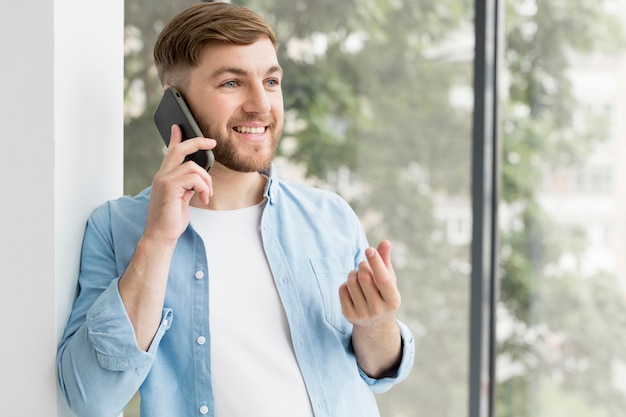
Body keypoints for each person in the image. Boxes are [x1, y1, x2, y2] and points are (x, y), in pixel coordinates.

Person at [57, 3, 415, 417]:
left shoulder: (329, 217)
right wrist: (158, 239)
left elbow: (378, 368)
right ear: (175, 104)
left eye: (271, 80)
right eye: (232, 83)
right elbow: (90, 398)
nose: (261, 105)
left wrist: (377, 325)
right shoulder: (116, 228)